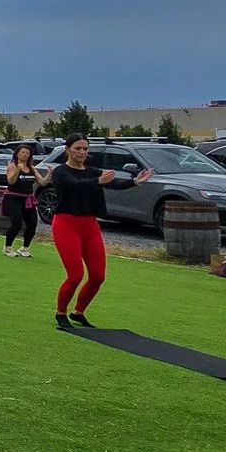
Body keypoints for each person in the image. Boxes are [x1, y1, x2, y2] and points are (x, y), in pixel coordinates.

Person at [46, 136, 151, 329]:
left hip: (89, 224)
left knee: (97, 276)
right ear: (68, 149)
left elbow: (113, 182)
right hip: (66, 224)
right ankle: (60, 313)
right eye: (77, 148)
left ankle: (78, 312)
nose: (82, 152)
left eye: (85, 149)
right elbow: (74, 185)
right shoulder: (61, 172)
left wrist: (136, 181)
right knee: (75, 275)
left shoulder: (91, 172)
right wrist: (98, 181)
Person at [1, 144, 42, 257]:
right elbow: (11, 181)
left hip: (28, 199)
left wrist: (49, 175)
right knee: (17, 222)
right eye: (22, 152)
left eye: (27, 153)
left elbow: (42, 182)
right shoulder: (12, 166)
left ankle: (25, 248)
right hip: (13, 197)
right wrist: (18, 170)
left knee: (32, 223)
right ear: (17, 154)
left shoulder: (32, 168)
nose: (25, 155)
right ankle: (7, 247)